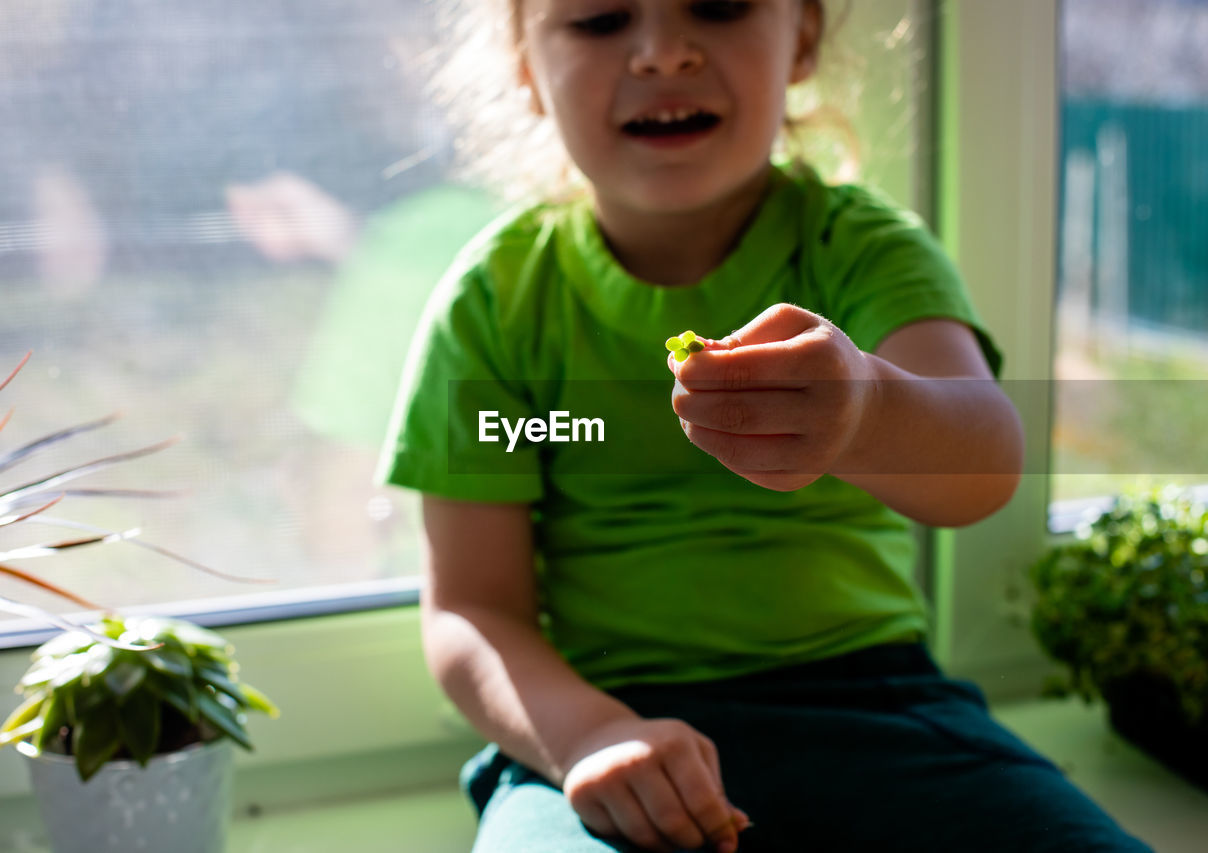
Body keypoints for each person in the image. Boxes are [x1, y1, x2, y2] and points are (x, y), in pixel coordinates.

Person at [380, 1, 1153, 850]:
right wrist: (589, 737)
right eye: (601, 19)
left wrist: (867, 410)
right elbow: (473, 608)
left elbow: (984, 465)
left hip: (881, 715)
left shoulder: (861, 251)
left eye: (719, 6)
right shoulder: (495, 305)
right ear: (525, 66)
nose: (664, 54)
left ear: (805, 37)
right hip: (603, 733)